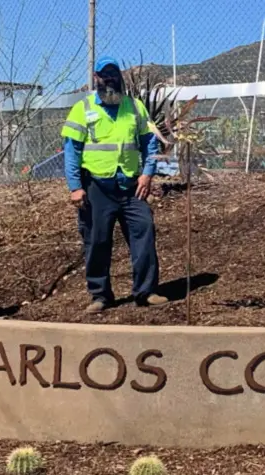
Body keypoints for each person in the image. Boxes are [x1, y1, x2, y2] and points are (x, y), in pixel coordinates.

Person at [62, 55, 169, 313]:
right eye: (104, 74)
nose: (109, 79)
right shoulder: (83, 108)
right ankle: (100, 295)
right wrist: (75, 187)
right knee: (97, 240)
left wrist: (147, 174)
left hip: (132, 185)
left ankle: (146, 291)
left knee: (144, 230)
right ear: (96, 78)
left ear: (119, 76)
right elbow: (71, 150)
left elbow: (150, 143)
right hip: (96, 187)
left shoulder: (135, 107)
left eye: (113, 73)